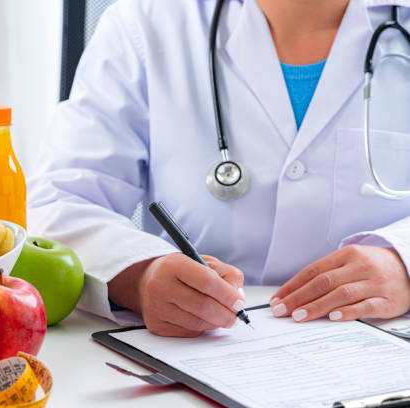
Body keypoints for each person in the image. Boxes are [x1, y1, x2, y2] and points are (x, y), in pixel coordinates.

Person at [27, 0, 410, 337]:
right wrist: (141, 275)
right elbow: (60, 200)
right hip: (203, 351)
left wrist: (403, 263)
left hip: (381, 351)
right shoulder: (146, 23)